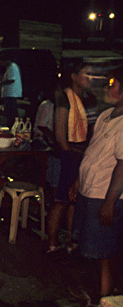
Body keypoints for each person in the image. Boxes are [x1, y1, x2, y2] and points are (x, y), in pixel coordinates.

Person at [72, 66, 123, 302]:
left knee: (105, 256)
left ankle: (106, 298)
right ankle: (96, 297)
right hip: (89, 192)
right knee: (90, 251)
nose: (106, 88)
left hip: (105, 197)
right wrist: (78, 180)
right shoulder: (106, 116)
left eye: (112, 84)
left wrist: (109, 203)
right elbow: (91, 153)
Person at [46, 61, 97, 253]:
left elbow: (93, 131)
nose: (91, 78)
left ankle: (71, 242)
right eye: (87, 74)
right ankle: (52, 244)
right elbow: (60, 135)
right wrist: (70, 158)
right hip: (65, 158)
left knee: (74, 202)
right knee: (61, 202)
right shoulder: (65, 98)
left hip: (83, 158)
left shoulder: (90, 100)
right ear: (74, 77)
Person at [0, 55, 22, 127]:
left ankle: (13, 126)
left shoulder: (12, 67)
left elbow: (11, 79)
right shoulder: (10, 67)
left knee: (11, 113)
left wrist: (1, 82)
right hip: (9, 94)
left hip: (11, 94)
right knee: (10, 112)